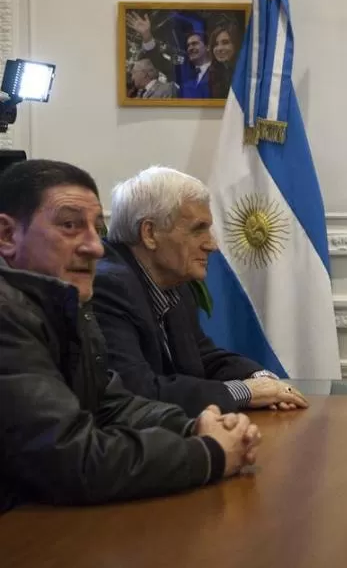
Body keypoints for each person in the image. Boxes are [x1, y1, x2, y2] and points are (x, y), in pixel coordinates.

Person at [0, 159, 260, 512]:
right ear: (7, 236)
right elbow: (72, 459)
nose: (96, 246)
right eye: (70, 225)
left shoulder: (67, 301)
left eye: (97, 227)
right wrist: (209, 453)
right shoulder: (9, 314)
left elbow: (111, 404)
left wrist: (196, 426)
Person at [92, 167, 308, 417]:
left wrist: (260, 379)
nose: (212, 244)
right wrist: (245, 392)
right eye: (198, 229)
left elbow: (203, 357)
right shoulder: (108, 286)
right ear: (149, 233)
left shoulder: (172, 281)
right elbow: (137, 391)